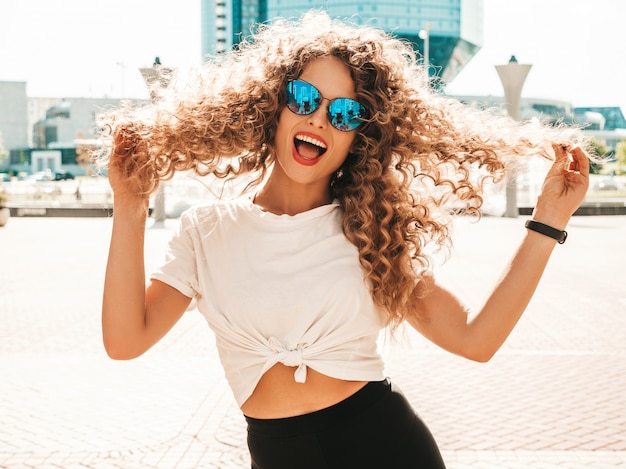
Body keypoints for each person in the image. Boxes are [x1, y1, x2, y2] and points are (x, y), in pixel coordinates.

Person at [100, 11, 590, 469]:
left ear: (361, 137)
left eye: (345, 114)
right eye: (305, 99)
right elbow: (124, 342)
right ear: (272, 105)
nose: (318, 120)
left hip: (386, 448)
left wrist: (549, 218)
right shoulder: (207, 231)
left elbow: (475, 340)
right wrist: (129, 206)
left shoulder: (369, 236)